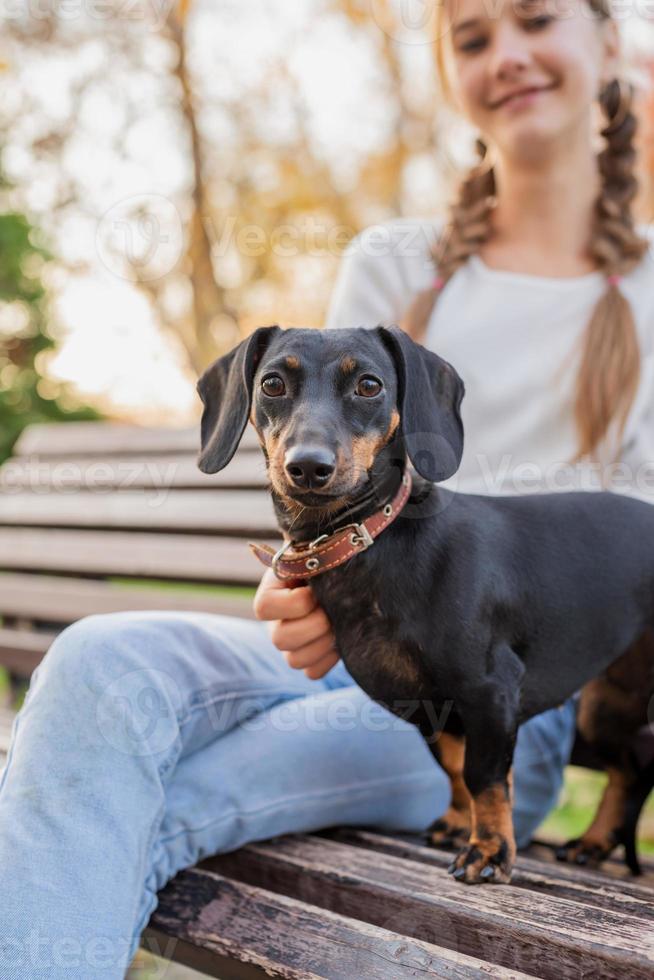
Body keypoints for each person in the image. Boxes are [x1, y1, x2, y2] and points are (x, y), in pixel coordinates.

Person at [1, 0, 652, 976]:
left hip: (484, 699)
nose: (508, 54)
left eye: (536, 20)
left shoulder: (646, 290)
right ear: (450, 74)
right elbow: (315, 451)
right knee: (101, 659)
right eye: (473, 37)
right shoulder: (399, 263)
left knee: (144, 797)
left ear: (613, 43)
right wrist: (296, 587)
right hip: (343, 633)